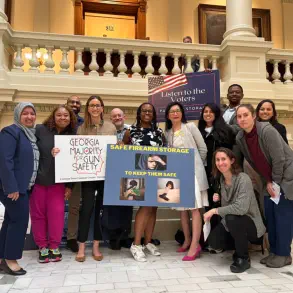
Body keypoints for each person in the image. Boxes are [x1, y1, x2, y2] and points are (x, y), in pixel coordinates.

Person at [236, 104, 293, 268]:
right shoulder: (241, 137)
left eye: (245, 115)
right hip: (269, 181)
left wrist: (273, 182)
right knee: (271, 215)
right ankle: (274, 252)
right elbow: (255, 163)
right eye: (239, 116)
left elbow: (279, 159)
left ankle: (284, 254)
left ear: (253, 116)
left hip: (285, 178)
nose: (242, 119)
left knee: (282, 216)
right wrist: (268, 182)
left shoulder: (267, 131)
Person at [204, 148, 266, 273]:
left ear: (232, 160)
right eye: (217, 160)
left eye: (223, 159)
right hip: (233, 221)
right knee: (213, 242)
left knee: (232, 218)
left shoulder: (243, 179)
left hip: (252, 225)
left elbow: (241, 208)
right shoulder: (222, 180)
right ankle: (238, 247)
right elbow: (228, 207)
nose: (220, 163)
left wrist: (214, 210)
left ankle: (243, 258)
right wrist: (220, 199)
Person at [30, 105, 77, 263]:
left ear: (71, 118)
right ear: (53, 116)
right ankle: (42, 247)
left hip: (59, 183)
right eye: (59, 115)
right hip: (39, 181)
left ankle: (54, 246)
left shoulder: (73, 135)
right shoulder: (40, 130)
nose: (63, 118)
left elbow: (75, 164)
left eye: (66, 115)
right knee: (38, 216)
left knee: (56, 216)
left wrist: (70, 186)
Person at [164, 102, 209, 261]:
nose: (175, 113)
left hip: (193, 174)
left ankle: (195, 245)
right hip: (177, 175)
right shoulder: (168, 132)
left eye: (178, 110)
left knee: (194, 209)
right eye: (172, 111)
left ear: (182, 113)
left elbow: (203, 149)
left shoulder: (190, 127)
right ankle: (187, 239)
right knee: (182, 209)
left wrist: (196, 165)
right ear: (168, 115)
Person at [75, 95, 116, 262]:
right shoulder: (81, 128)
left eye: (98, 105)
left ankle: (97, 246)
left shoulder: (111, 127)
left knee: (100, 210)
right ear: (88, 108)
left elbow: (114, 150)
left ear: (102, 108)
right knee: (86, 210)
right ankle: (82, 246)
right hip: (88, 175)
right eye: (92, 105)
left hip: (106, 174)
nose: (95, 108)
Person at [123, 102, 166, 262]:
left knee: (153, 207)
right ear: (139, 113)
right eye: (144, 111)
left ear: (154, 114)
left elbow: (165, 152)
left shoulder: (159, 132)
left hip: (157, 173)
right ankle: (136, 244)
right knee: (145, 206)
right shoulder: (131, 131)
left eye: (150, 111)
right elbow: (122, 150)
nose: (147, 113)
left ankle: (148, 242)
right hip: (138, 174)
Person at [0, 102, 39, 275]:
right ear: (18, 115)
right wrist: (11, 187)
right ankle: (11, 260)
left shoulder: (30, 135)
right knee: (19, 222)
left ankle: (2, 257)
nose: (29, 117)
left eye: (32, 113)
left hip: (23, 187)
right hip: (13, 188)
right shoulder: (11, 132)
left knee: (10, 221)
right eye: (25, 113)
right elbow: (4, 160)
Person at [198, 103, 235, 211]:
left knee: (220, 203)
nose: (208, 114)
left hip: (220, 172)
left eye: (211, 111)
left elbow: (229, 152)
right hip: (204, 172)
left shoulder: (225, 131)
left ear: (216, 114)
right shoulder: (199, 131)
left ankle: (220, 227)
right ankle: (209, 227)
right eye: (205, 112)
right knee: (207, 203)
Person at [66, 95, 83, 252]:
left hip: (77, 170)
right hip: (58, 170)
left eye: (78, 103)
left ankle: (71, 238)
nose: (75, 104)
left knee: (74, 207)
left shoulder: (84, 124)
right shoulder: (57, 122)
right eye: (72, 102)